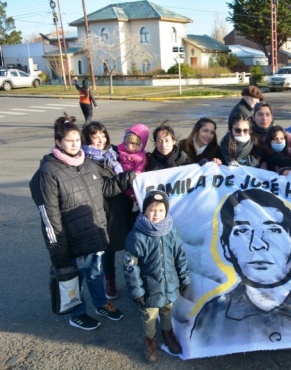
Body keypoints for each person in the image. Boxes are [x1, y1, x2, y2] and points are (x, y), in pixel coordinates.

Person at [189, 189, 291, 346]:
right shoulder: (213, 315)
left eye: (273, 229)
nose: (257, 244)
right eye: (242, 231)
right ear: (226, 248)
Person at [29, 118, 134, 330]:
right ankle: (77, 313)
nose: (75, 144)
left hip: (94, 232)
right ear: (58, 142)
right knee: (73, 277)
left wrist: (129, 178)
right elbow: (49, 215)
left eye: (77, 139)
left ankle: (101, 304)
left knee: (95, 272)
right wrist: (58, 248)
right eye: (69, 140)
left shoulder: (86, 163)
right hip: (71, 237)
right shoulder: (49, 172)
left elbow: (103, 189)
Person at [124, 190, 191, 363]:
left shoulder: (171, 232)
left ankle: (168, 334)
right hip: (149, 289)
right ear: (144, 210)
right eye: (152, 209)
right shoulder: (137, 236)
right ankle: (150, 341)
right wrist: (137, 291)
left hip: (169, 285)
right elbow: (131, 267)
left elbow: (180, 256)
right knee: (150, 316)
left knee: (167, 310)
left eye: (161, 210)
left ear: (166, 212)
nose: (156, 214)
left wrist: (184, 278)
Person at [82, 122, 133, 300]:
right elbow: (104, 188)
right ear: (87, 139)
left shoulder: (112, 154)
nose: (100, 140)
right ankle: (109, 280)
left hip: (125, 206)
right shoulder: (87, 161)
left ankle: (133, 279)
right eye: (95, 137)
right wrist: (130, 177)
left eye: (103, 135)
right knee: (108, 248)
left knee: (131, 245)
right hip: (105, 210)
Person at [117, 123, 149, 209]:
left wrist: (136, 174)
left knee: (133, 193)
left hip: (132, 179)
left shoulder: (140, 156)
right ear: (125, 142)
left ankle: (135, 202)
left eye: (137, 144)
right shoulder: (120, 151)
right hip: (121, 178)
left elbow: (140, 167)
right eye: (131, 143)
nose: (134, 146)